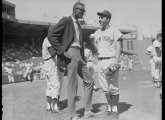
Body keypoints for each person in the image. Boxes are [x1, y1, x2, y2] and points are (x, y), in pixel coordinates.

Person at [47, 2, 95, 120]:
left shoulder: (78, 24)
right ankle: (72, 114)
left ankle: (88, 110)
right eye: (82, 11)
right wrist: (62, 52)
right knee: (73, 85)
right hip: (71, 53)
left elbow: (79, 42)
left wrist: (83, 56)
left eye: (84, 11)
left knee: (89, 81)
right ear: (75, 10)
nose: (84, 13)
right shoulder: (66, 20)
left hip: (79, 55)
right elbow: (51, 35)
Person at [89, 10, 123, 116]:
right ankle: (109, 106)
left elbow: (118, 48)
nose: (99, 19)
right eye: (99, 17)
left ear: (108, 19)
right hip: (100, 61)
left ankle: (115, 108)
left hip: (111, 59)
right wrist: (91, 42)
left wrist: (116, 62)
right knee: (104, 87)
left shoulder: (114, 31)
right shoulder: (96, 33)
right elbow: (95, 50)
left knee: (113, 86)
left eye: (102, 17)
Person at [42, 37, 64, 113]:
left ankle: (48, 106)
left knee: (49, 86)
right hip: (51, 61)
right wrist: (61, 49)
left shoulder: (46, 39)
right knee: (56, 85)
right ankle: (54, 107)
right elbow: (53, 52)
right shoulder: (49, 38)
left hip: (47, 62)